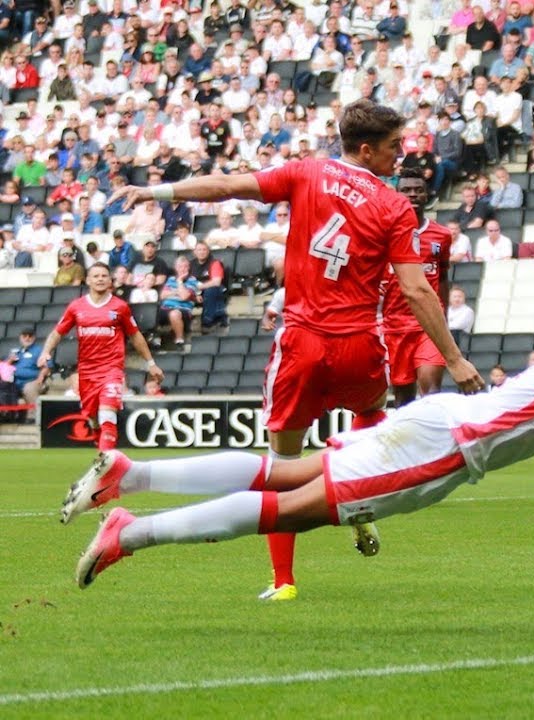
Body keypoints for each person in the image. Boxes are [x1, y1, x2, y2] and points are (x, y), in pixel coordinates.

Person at [65, 290, 534, 591]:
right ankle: (130, 532)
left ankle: (133, 474)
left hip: (438, 421)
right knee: (296, 509)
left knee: (288, 472)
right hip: (444, 451)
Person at [106, 99, 483, 602]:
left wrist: (152, 190)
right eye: (395, 147)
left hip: (302, 344)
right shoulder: (394, 206)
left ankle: (283, 580)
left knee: (280, 468)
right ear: (367, 150)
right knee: (370, 426)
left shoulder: (306, 172)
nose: (403, 155)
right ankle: (361, 509)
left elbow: (225, 187)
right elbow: (416, 291)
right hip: (360, 347)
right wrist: (455, 358)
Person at [37, 264, 164, 453]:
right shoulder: (76, 307)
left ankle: (107, 462)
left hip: (112, 369)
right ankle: (102, 453)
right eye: (95, 276)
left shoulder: (120, 307)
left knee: (107, 413)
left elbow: (136, 336)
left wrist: (151, 363)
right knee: (93, 419)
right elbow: (57, 333)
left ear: (110, 280)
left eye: (104, 275)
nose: (100, 279)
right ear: (88, 280)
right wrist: (45, 351)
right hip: (87, 372)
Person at [382, 167, 453, 406]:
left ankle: (434, 442)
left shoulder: (441, 235)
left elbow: (442, 277)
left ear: (427, 195)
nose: (412, 195)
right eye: (406, 190)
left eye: (418, 190)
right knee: (403, 400)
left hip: (429, 323)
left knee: (431, 393)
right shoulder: (383, 233)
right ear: (396, 194)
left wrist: (444, 317)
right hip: (395, 325)